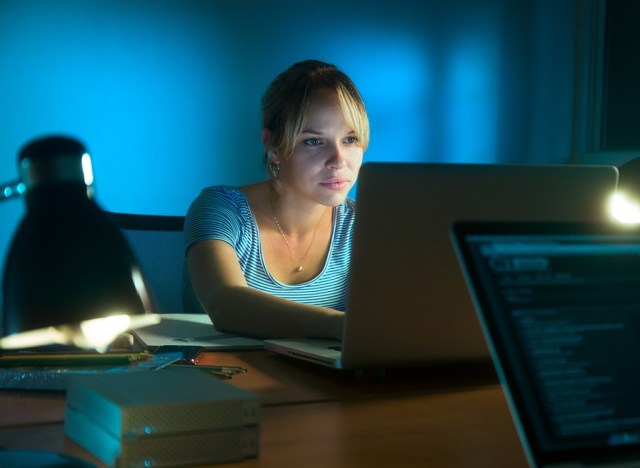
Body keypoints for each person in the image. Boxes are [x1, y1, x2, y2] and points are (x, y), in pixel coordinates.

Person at [185, 59, 370, 339]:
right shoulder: (221, 209)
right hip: (223, 378)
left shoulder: (363, 225)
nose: (338, 161)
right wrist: (342, 325)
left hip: (326, 381)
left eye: (350, 139)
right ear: (273, 146)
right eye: (314, 141)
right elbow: (225, 304)